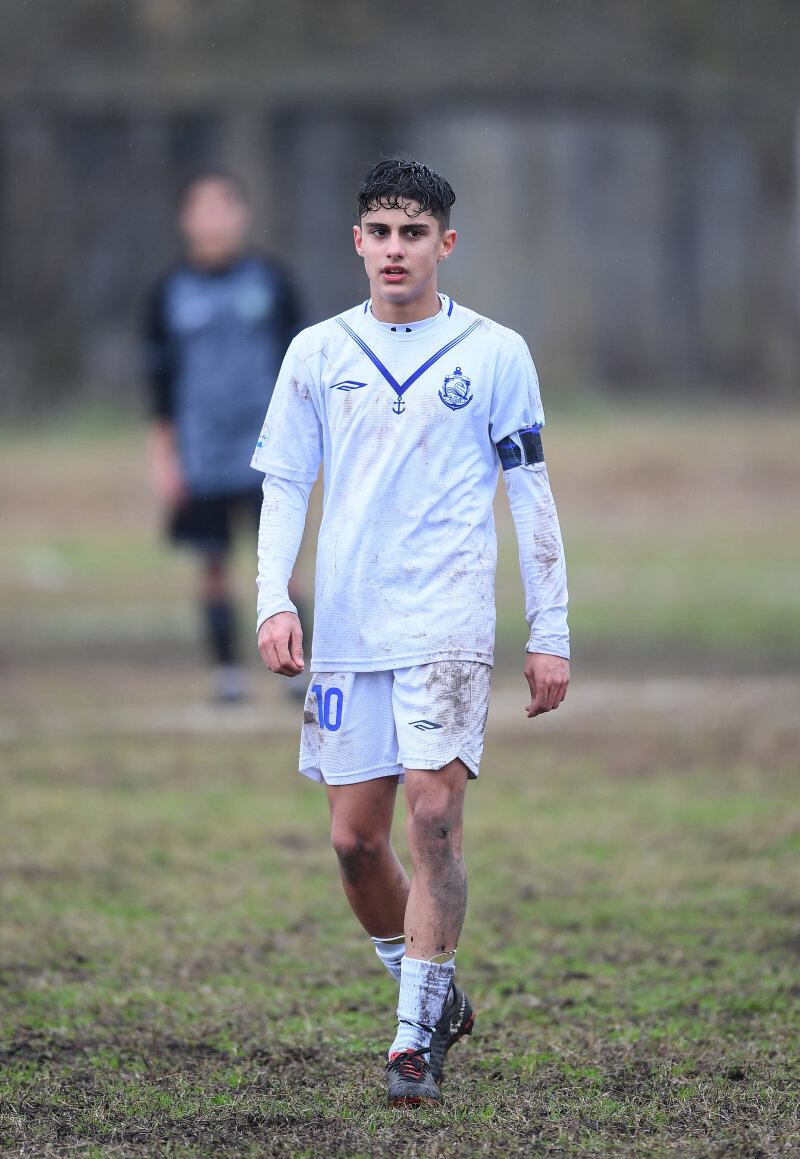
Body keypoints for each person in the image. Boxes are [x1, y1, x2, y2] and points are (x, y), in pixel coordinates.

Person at [252, 159, 570, 1105]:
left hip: (447, 621)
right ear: (358, 242)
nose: (397, 250)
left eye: (415, 233)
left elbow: (531, 495)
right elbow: (284, 486)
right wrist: (274, 599)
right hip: (349, 629)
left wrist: (549, 630)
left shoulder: (496, 352)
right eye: (382, 233)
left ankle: (410, 1046)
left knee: (432, 818)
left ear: (445, 243)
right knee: (356, 843)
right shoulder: (317, 352)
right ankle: (431, 993)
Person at [143, 168, 304, 703]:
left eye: (223, 207)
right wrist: (164, 460)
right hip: (203, 453)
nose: (213, 220)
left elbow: (302, 370)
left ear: (241, 214)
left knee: (283, 563)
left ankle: (296, 669)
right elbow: (159, 386)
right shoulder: (169, 292)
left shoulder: (271, 281)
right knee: (212, 564)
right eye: (202, 209)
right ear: (185, 220)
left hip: (266, 450)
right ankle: (227, 674)